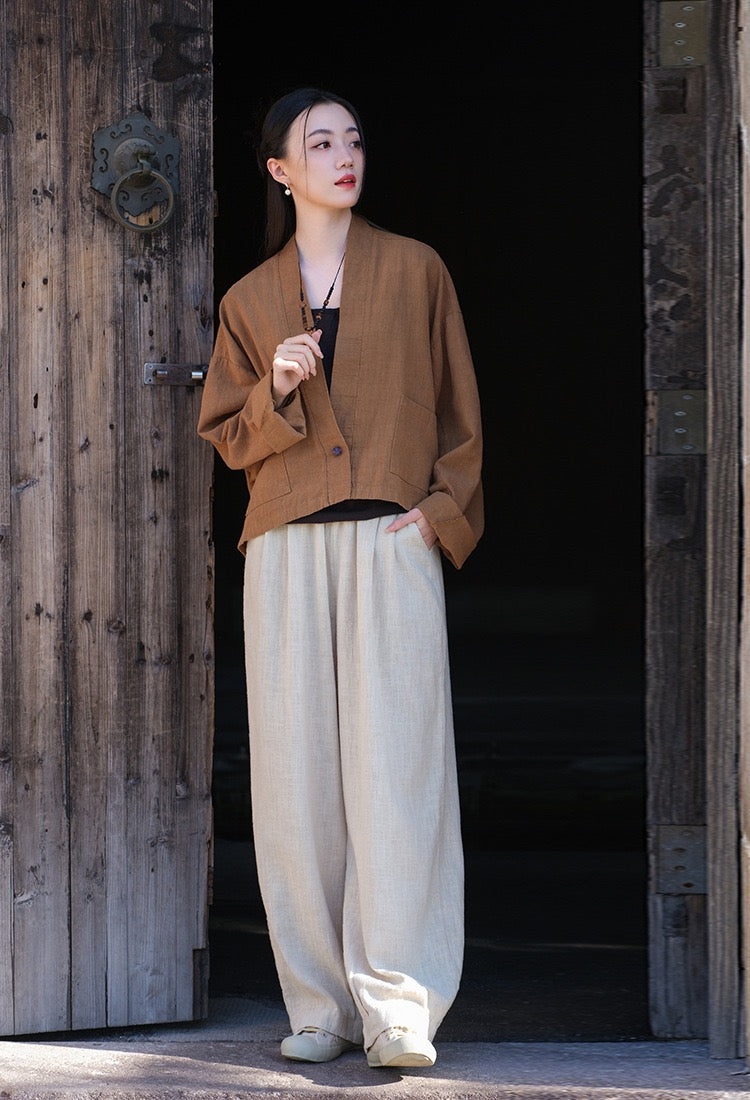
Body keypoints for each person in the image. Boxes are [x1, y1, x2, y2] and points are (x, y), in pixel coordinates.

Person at [197, 86, 483, 1070]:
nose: (343, 155)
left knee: (398, 773)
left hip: (391, 540)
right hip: (285, 546)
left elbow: (462, 414)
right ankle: (319, 1003)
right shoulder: (248, 300)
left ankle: (398, 1005)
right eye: (319, 143)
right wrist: (274, 387)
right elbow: (228, 438)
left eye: (352, 139)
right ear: (280, 169)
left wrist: (438, 515)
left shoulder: (417, 270)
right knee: (295, 784)